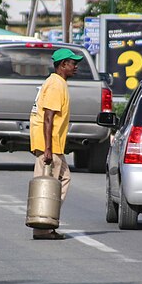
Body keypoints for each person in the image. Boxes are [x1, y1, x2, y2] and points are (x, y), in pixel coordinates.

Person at [27, 48, 82, 240]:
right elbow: (48, 118)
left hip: (52, 144)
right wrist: (48, 149)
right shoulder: (56, 85)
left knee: (63, 178)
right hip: (49, 145)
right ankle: (42, 225)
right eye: (73, 63)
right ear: (62, 65)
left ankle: (45, 221)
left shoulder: (56, 82)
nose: (76, 67)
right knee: (48, 184)